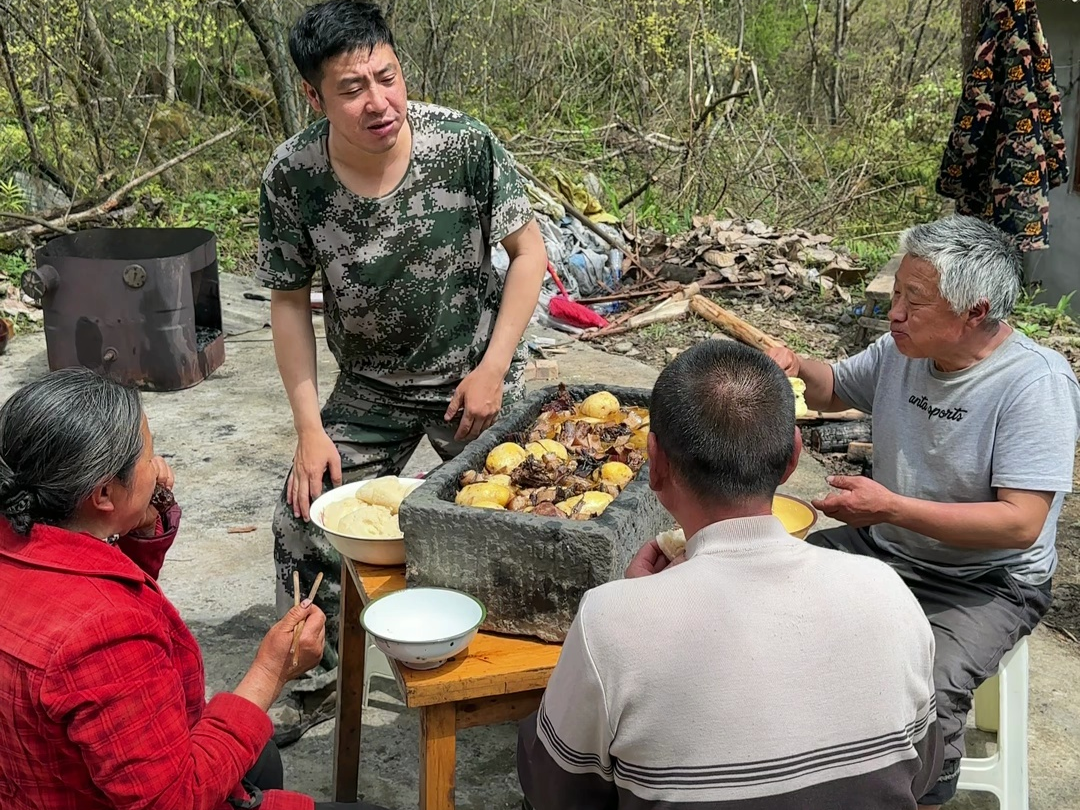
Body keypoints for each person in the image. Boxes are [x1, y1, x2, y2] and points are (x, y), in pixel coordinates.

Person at [256, 0, 547, 733]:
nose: (379, 102)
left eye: (388, 77)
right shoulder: (293, 176)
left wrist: (493, 366)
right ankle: (314, 678)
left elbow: (529, 255)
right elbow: (289, 303)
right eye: (352, 89)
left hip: (473, 381)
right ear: (314, 97)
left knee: (532, 511)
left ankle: (538, 674)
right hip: (369, 391)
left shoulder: (464, 144)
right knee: (300, 519)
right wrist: (307, 431)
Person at [517, 340, 943, 809]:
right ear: (793, 458)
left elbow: (556, 793)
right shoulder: (887, 592)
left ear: (654, 463)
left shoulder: (609, 620)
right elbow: (919, 771)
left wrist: (637, 610)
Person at [769, 214, 1080, 807]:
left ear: (974, 311)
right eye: (897, 295)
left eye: (915, 301)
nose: (895, 314)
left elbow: (1020, 524)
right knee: (763, 591)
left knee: (926, 690)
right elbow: (832, 387)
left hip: (985, 581)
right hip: (886, 548)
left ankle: (918, 794)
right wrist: (795, 364)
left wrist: (890, 508)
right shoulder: (901, 350)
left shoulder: (1034, 385)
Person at [0, 368, 384, 810]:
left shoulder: (29, 529)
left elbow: (95, 573)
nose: (159, 464)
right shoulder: (101, 633)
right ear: (103, 493)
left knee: (260, 756)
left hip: (40, 781)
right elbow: (176, 801)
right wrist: (271, 672)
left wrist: (140, 512)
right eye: (148, 454)